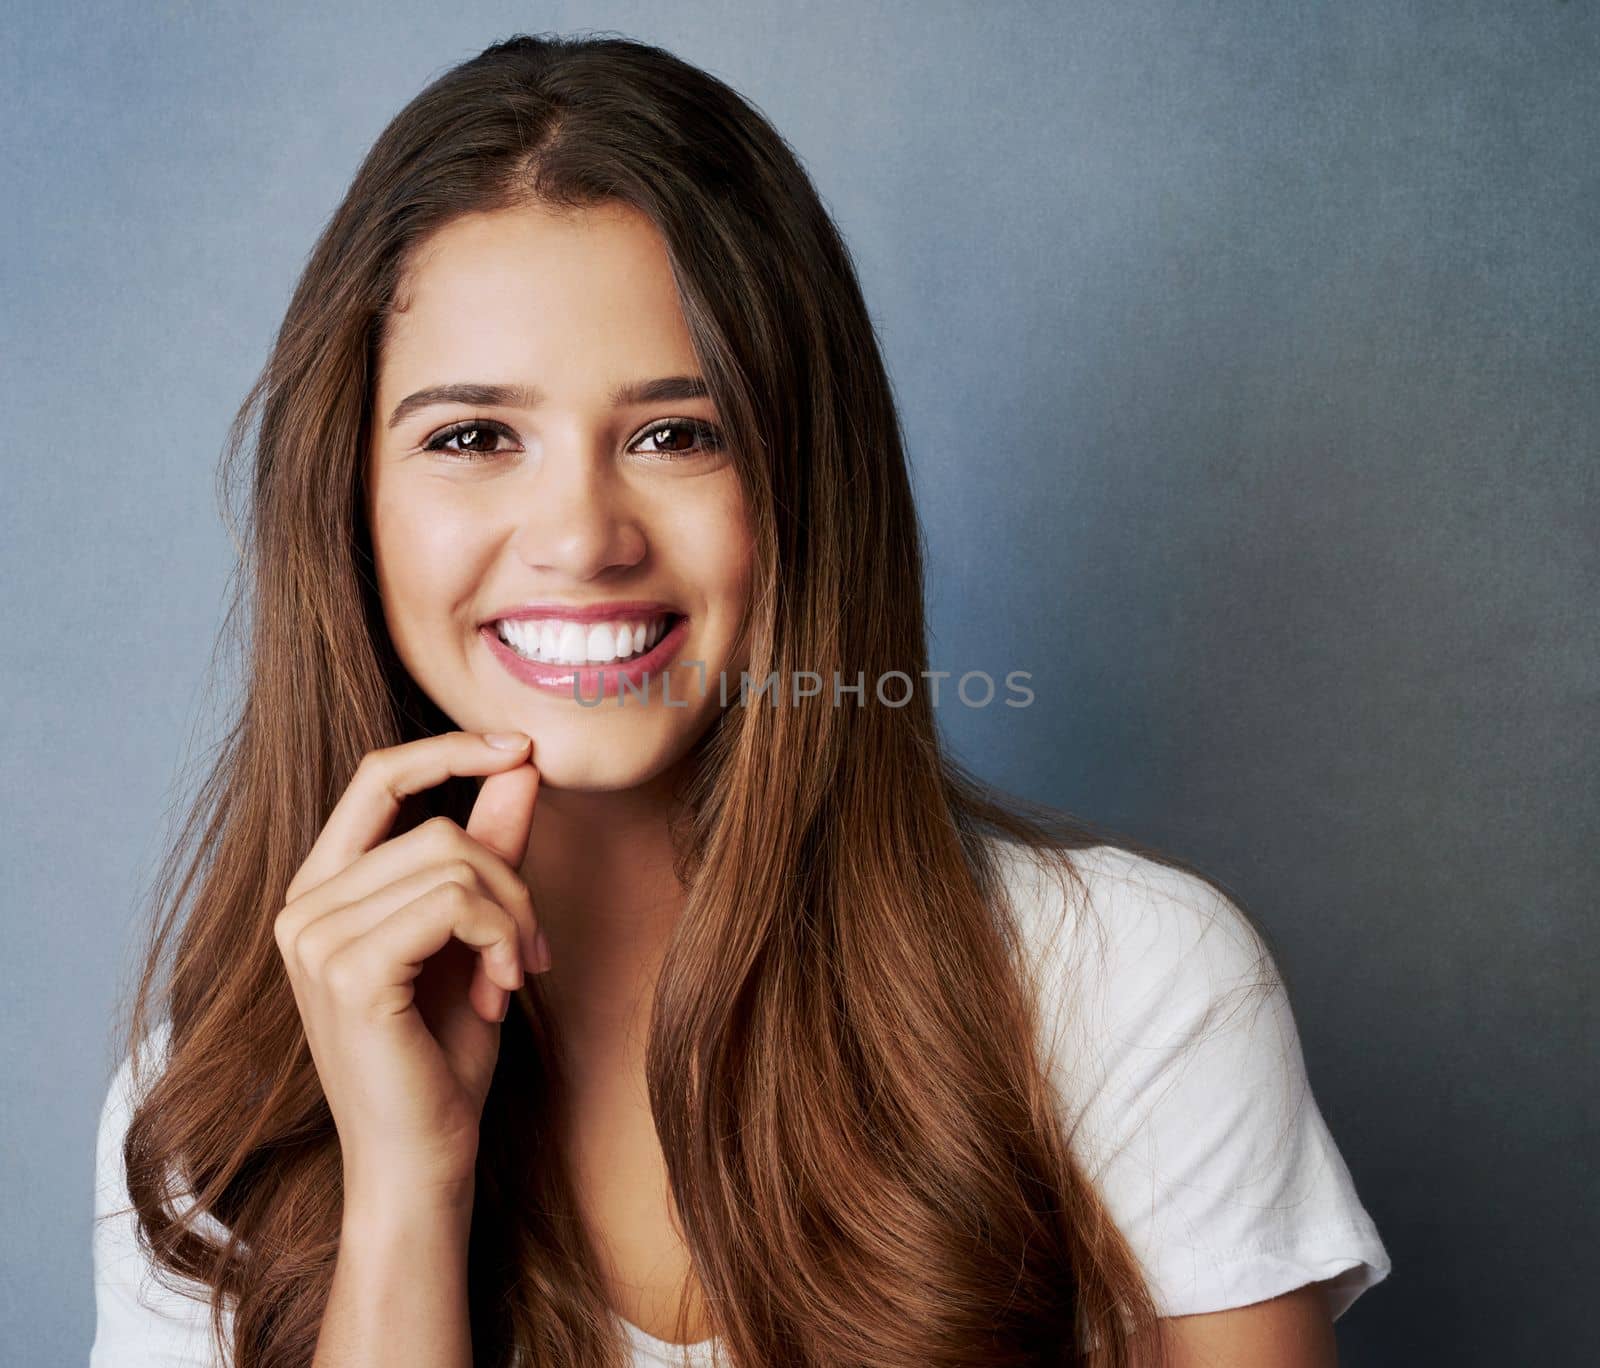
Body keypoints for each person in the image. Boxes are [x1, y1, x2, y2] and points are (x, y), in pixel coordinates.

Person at [89, 32, 1389, 1368]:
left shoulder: (1137, 989)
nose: (582, 536)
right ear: (345, 504)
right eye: (473, 437)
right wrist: (407, 1198)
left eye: (676, 434)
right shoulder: (211, 1107)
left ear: (804, 483)